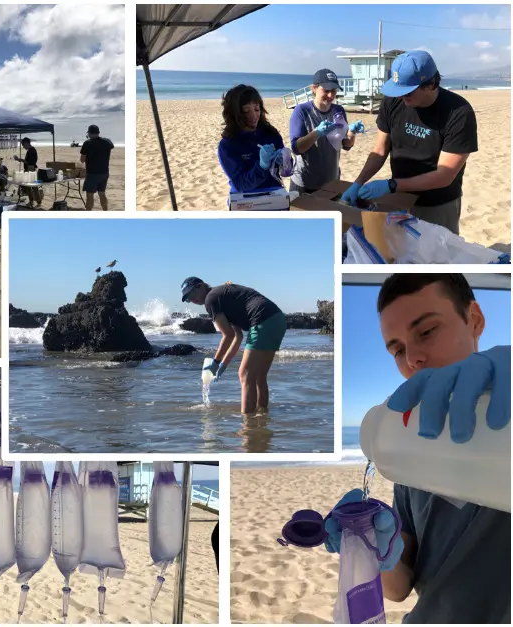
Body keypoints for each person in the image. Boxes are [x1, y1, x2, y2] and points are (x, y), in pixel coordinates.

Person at [326, 273, 510, 623]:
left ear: (474, 320)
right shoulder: (409, 452)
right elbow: (398, 588)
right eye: (397, 349)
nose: (412, 358)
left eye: (426, 332)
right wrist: (371, 546)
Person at [341, 51, 478, 234]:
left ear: (431, 84)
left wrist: (391, 185)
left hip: (437, 203)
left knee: (437, 257)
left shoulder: (459, 112)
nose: (401, 97)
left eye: (408, 92)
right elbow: (380, 150)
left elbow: (445, 175)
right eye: (398, 90)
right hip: (398, 197)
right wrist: (358, 183)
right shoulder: (392, 102)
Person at [180, 277, 286, 415]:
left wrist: (216, 362)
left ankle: (247, 425)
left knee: (245, 374)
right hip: (277, 319)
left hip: (262, 320)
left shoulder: (210, 299)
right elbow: (237, 337)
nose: (192, 299)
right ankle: (262, 417)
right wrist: (224, 363)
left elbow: (228, 335)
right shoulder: (222, 296)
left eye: (192, 294)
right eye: (188, 298)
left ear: (201, 286)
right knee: (259, 376)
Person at [289, 69, 365, 195]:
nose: (330, 96)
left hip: (331, 182)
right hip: (304, 183)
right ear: (314, 88)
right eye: (326, 90)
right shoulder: (301, 111)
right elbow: (296, 148)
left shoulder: (338, 110)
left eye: (334, 91)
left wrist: (352, 132)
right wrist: (316, 133)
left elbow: (346, 145)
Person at [217, 84, 284, 194]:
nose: (253, 116)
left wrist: (286, 162)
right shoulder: (228, 145)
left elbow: (284, 172)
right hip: (246, 201)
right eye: (246, 111)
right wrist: (262, 167)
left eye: (257, 109)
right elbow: (241, 183)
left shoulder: (271, 134)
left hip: (274, 194)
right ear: (233, 113)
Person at [80, 124, 114, 211]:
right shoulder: (107, 142)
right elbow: (110, 145)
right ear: (98, 132)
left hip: (92, 173)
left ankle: (88, 213)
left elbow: (82, 160)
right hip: (104, 172)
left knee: (90, 195)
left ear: (90, 133)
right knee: (102, 193)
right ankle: (105, 211)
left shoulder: (87, 143)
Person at [14, 137, 43, 207]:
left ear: (26, 143)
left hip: (31, 170)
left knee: (33, 187)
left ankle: (38, 202)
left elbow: (29, 162)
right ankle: (31, 201)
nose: (23, 147)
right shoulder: (30, 150)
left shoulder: (32, 150)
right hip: (29, 169)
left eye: (23, 145)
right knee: (28, 187)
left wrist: (19, 159)